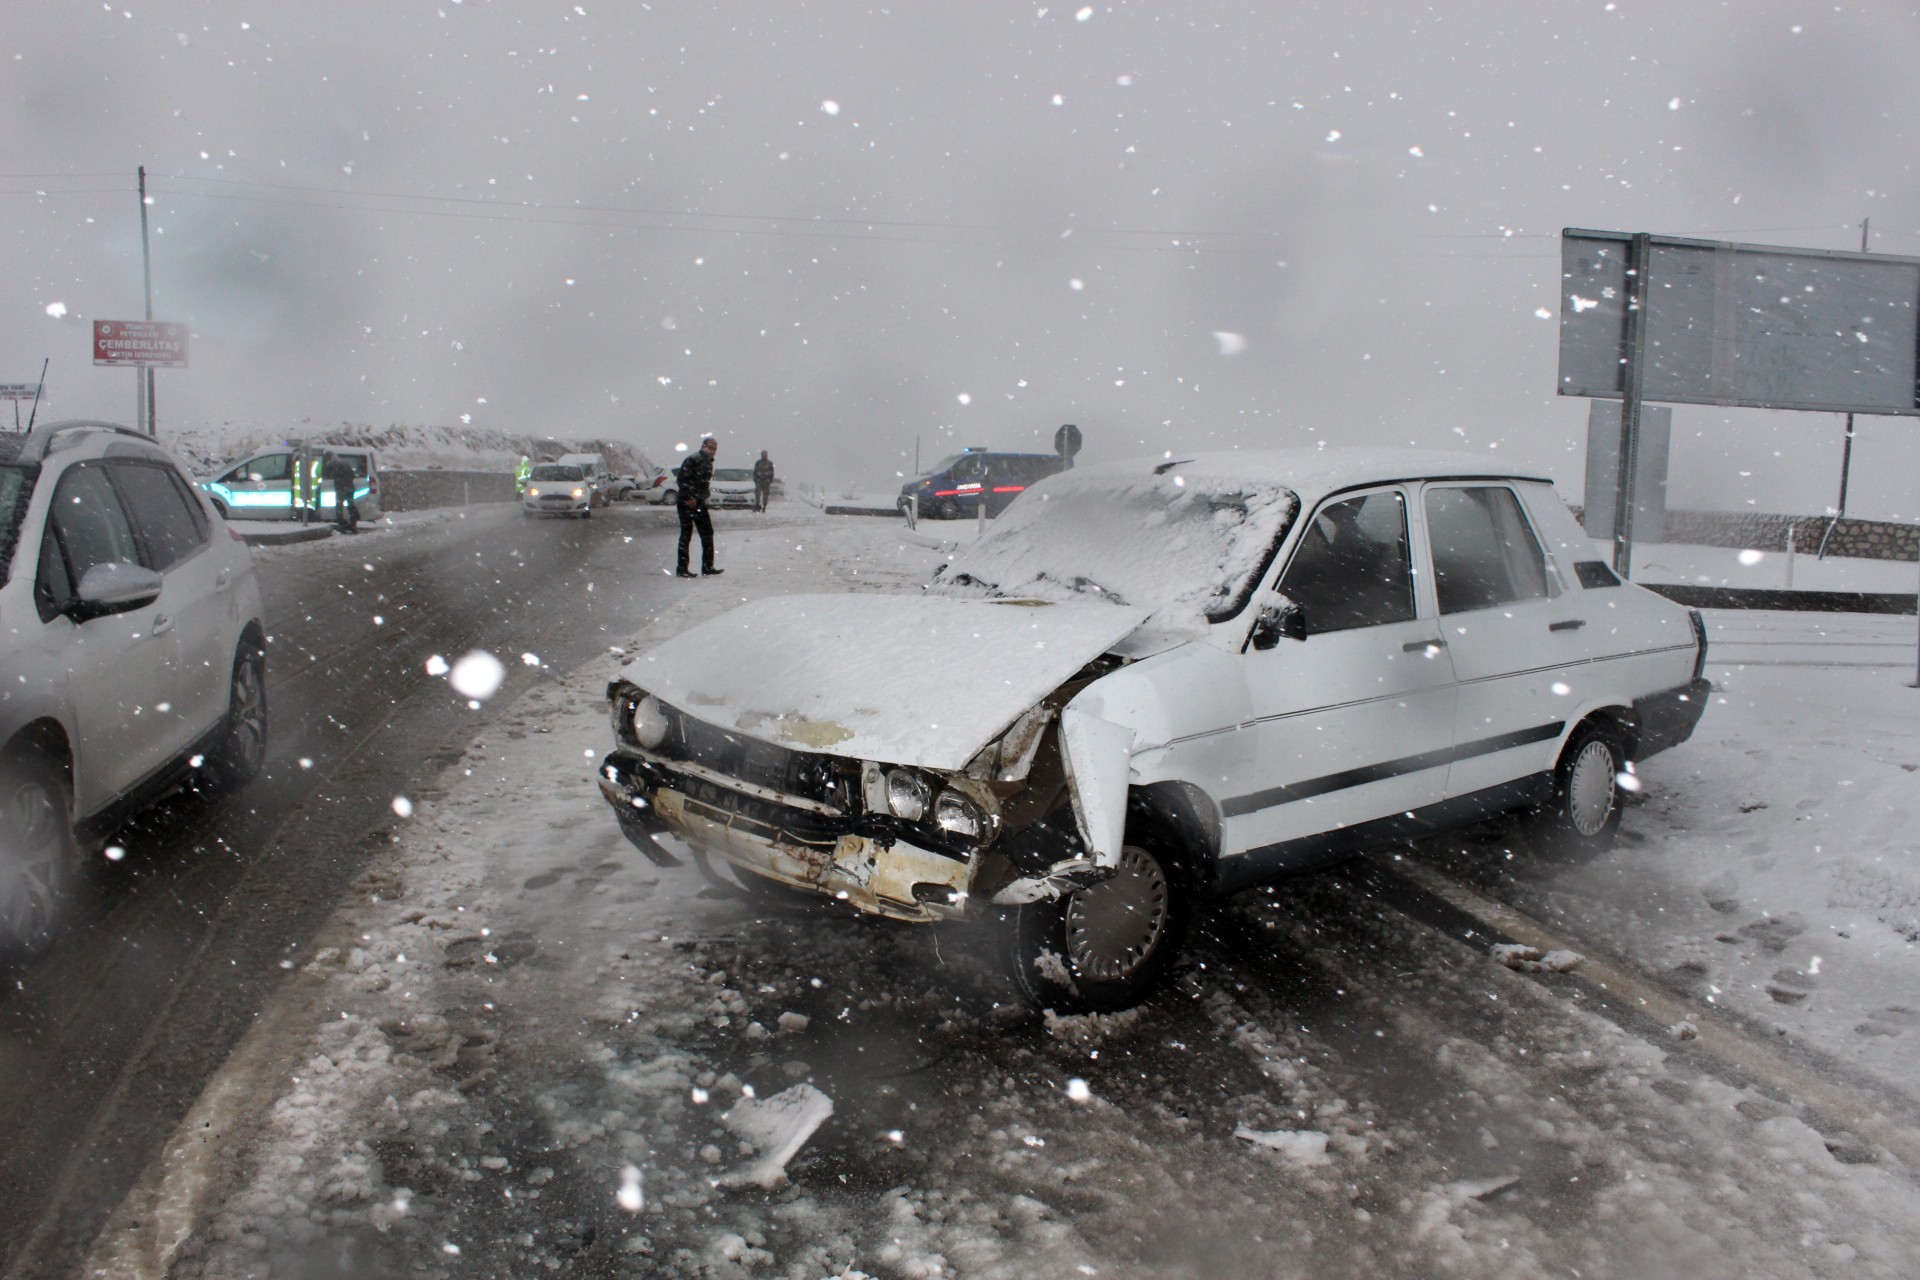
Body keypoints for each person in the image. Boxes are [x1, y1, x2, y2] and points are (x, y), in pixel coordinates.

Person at [674, 437, 722, 577]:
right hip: (686, 503)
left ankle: (708, 566)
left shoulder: (708, 463)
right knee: (686, 534)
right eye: (710, 447)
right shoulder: (692, 460)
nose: (713, 451)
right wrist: (689, 497)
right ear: (704, 446)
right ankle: (682, 569)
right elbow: (682, 480)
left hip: (699, 503)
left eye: (715, 448)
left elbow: (704, 484)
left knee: (707, 533)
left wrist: (702, 496)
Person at [323, 450, 359, 533]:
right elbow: (352, 475)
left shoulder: (332, 464)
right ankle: (353, 523)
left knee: (339, 507)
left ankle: (342, 525)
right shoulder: (345, 462)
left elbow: (327, 474)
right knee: (351, 505)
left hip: (341, 488)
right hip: (349, 487)